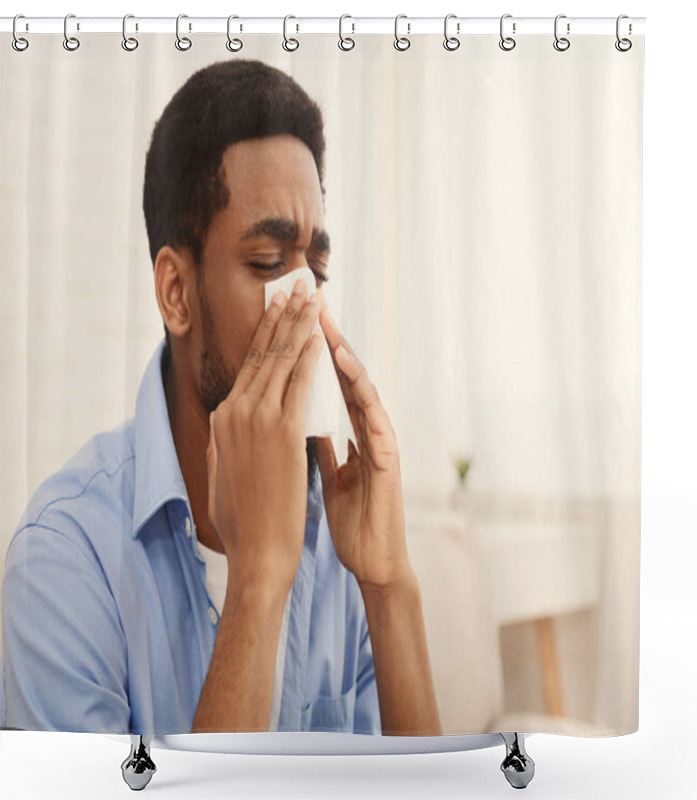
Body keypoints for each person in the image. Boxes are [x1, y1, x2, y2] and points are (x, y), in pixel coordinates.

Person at [0, 59, 442, 737]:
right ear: (176, 292)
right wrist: (258, 581)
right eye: (269, 264)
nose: (306, 310)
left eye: (316, 272)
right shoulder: (62, 560)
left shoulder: (337, 541)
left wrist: (389, 588)